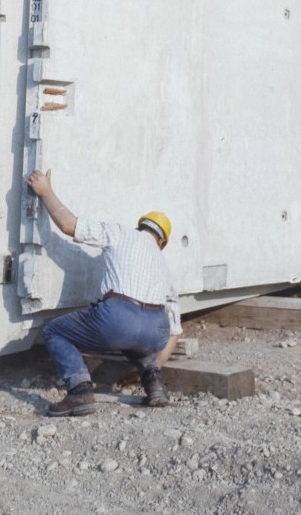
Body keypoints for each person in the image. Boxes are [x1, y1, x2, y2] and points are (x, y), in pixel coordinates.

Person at [24, 168, 181, 417]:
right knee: (136, 336)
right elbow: (174, 331)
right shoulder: (165, 269)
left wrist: (45, 191)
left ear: (140, 226)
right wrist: (155, 367)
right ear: (162, 242)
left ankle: (79, 392)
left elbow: (68, 225)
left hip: (117, 320)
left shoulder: (120, 233)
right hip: (155, 329)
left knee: (55, 331)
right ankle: (154, 383)